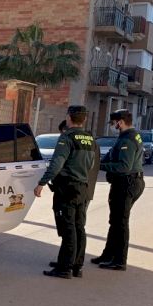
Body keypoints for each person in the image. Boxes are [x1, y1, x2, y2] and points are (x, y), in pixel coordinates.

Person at [34, 105, 98, 279]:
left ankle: (65, 268)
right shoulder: (90, 139)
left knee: (68, 227)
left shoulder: (67, 137)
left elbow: (57, 163)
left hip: (68, 187)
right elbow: (92, 164)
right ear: (84, 119)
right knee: (79, 226)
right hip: (82, 187)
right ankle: (77, 266)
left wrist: (42, 182)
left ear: (69, 117)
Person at [92, 108, 145, 271]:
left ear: (120, 122)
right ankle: (108, 254)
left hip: (126, 183)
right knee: (115, 221)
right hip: (129, 182)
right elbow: (112, 156)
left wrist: (100, 166)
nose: (112, 126)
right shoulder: (128, 136)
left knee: (120, 223)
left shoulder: (127, 140)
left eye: (113, 123)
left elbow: (124, 166)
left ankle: (120, 260)